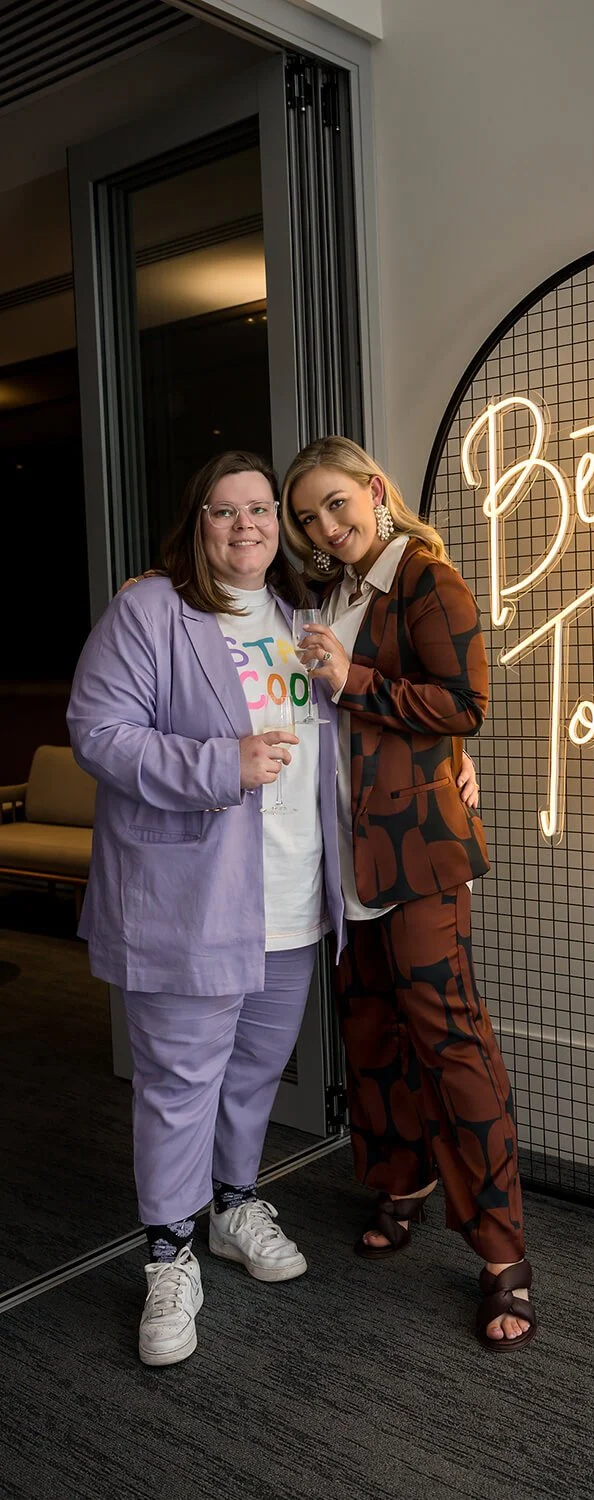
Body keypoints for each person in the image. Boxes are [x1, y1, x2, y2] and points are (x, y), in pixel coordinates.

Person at [67, 450, 346, 1367]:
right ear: (197, 523)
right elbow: (99, 733)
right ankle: (168, 1254)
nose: (246, 526)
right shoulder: (151, 611)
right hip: (190, 900)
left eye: (261, 510)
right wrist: (218, 764)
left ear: (282, 524)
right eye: (224, 512)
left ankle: (231, 1207)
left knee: (255, 1071)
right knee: (180, 1084)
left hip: (292, 893)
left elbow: (334, 736)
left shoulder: (302, 617)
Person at [281, 435, 537, 1350]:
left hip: (420, 854)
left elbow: (465, 702)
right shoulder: (331, 594)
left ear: (375, 491)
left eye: (337, 504)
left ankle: (504, 1255)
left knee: (451, 1042)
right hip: (347, 855)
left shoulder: (427, 577)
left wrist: (355, 681)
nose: (327, 526)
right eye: (308, 517)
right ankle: (405, 1180)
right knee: (372, 1031)